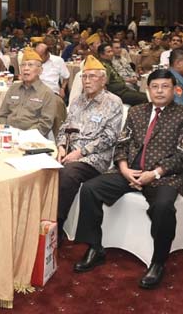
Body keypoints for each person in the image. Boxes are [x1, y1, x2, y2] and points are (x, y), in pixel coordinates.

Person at [73, 69, 183, 289]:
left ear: (174, 89)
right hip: (129, 171)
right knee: (90, 189)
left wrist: (155, 173)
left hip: (162, 176)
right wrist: (123, 168)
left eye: (165, 86)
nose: (159, 91)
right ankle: (95, 247)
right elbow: (122, 143)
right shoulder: (137, 111)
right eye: (155, 87)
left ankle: (158, 262)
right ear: (148, 90)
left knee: (163, 207)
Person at [55, 55, 123, 240]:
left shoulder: (113, 102)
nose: (87, 81)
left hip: (95, 158)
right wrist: (61, 146)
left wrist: (80, 153)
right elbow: (64, 127)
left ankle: (57, 226)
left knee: (68, 173)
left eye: (92, 76)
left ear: (103, 80)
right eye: (84, 76)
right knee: (45, 169)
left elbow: (110, 137)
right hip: (70, 152)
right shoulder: (77, 101)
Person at [0, 48, 57, 136]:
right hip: (8, 134)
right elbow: (2, 115)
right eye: (23, 65)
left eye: (30, 65)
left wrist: (24, 135)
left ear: (40, 70)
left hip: (32, 138)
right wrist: (6, 130)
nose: (26, 68)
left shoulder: (47, 93)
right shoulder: (13, 88)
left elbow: (45, 124)